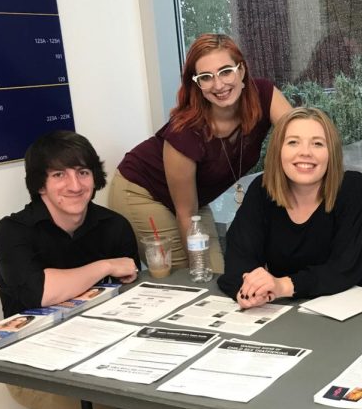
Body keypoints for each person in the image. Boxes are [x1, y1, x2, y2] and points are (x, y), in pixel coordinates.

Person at [216, 107, 362, 409]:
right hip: (276, 310)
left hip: (342, 314)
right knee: (232, 356)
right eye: (293, 142)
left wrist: (283, 284)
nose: (305, 153)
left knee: (292, 385)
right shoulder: (262, 195)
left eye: (317, 143)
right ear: (277, 152)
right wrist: (253, 285)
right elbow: (237, 263)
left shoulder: (352, 189)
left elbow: (346, 269)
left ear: (332, 152)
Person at [0, 130, 163, 409]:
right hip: (33, 361)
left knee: (162, 379)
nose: (74, 185)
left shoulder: (113, 225)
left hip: (106, 345)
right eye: (59, 175)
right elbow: (42, 293)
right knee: (107, 407)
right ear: (40, 184)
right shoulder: (12, 232)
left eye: (83, 172)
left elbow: (132, 291)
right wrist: (103, 266)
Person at [110, 33, 292, 273]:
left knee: (218, 275)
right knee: (193, 276)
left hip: (193, 198)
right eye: (206, 77)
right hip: (143, 192)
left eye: (226, 71)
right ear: (196, 84)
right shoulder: (185, 132)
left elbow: (300, 132)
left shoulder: (264, 96)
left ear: (242, 70)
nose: (219, 85)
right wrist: (198, 271)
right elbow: (186, 212)